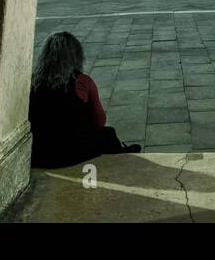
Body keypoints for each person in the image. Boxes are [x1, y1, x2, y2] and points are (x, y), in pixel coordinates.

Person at [29, 31, 140, 168]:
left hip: (40, 154)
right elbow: (100, 122)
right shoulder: (82, 82)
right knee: (108, 134)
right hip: (72, 153)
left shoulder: (31, 82)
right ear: (76, 56)